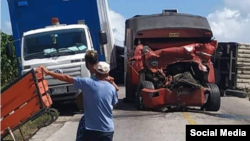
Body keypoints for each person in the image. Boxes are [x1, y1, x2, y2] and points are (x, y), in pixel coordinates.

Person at [39, 61, 118, 141]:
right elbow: (114, 103)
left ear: (95, 72)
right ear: (107, 74)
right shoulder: (111, 88)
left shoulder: (87, 83)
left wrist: (48, 72)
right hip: (108, 129)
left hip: (92, 130)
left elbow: (66, 78)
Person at [75, 50, 119, 140]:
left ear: (86, 63)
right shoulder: (100, 69)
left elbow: (115, 87)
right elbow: (115, 87)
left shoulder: (99, 71)